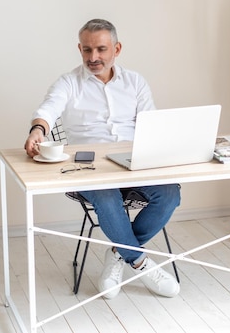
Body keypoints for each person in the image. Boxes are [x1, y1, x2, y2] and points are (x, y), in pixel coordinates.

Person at [24, 18, 181, 299]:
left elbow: (152, 123)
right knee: (108, 199)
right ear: (79, 49)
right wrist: (38, 129)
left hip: (134, 163)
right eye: (86, 50)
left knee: (170, 194)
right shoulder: (69, 82)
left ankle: (119, 253)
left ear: (116, 49)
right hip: (87, 168)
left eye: (100, 49)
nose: (93, 57)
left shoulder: (135, 82)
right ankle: (141, 263)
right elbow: (48, 110)